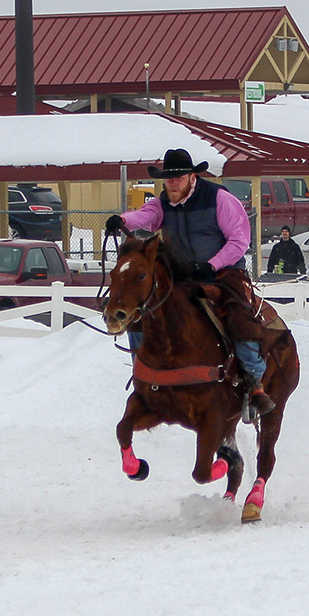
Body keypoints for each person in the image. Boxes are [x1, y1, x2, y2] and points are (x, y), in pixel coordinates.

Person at [105, 148, 276, 417]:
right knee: (142, 313)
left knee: (236, 314)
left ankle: (254, 381)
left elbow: (239, 240)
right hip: (183, 273)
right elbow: (146, 217)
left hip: (222, 272)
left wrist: (212, 264)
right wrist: (123, 220)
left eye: (178, 178)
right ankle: (142, 370)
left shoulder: (220, 199)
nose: (173, 183)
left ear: (192, 176)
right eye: (169, 179)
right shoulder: (163, 202)